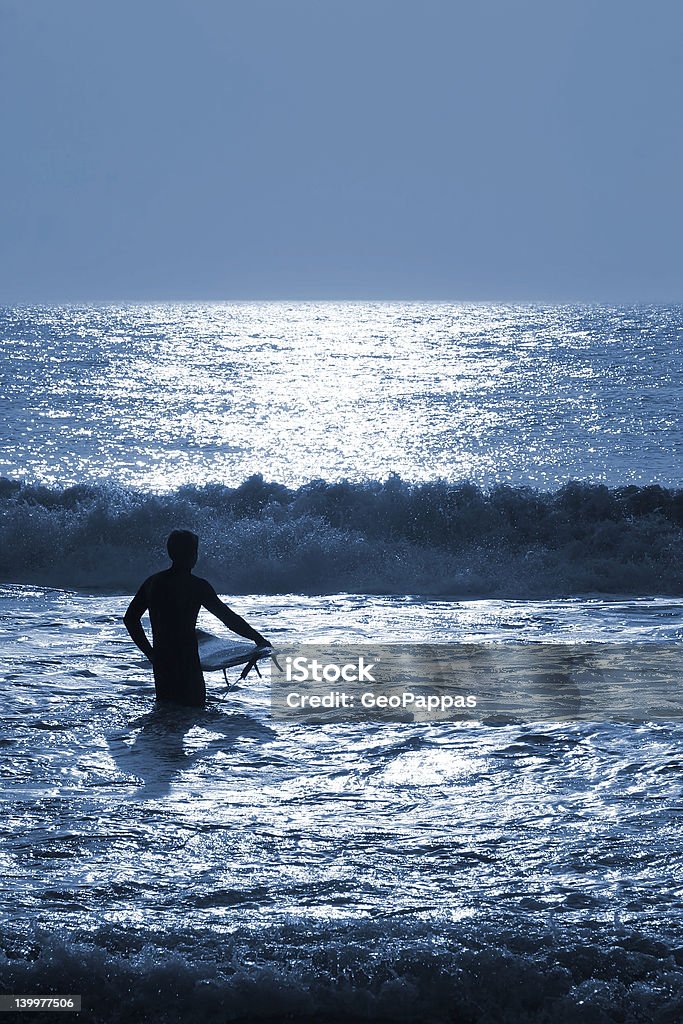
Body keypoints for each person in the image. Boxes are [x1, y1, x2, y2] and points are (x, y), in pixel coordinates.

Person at [123, 529, 269, 707]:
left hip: (162, 662)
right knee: (193, 711)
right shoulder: (196, 586)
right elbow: (228, 618)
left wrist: (150, 653)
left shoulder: (153, 583)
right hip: (187, 662)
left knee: (165, 713)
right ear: (193, 555)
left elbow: (130, 619)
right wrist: (257, 638)